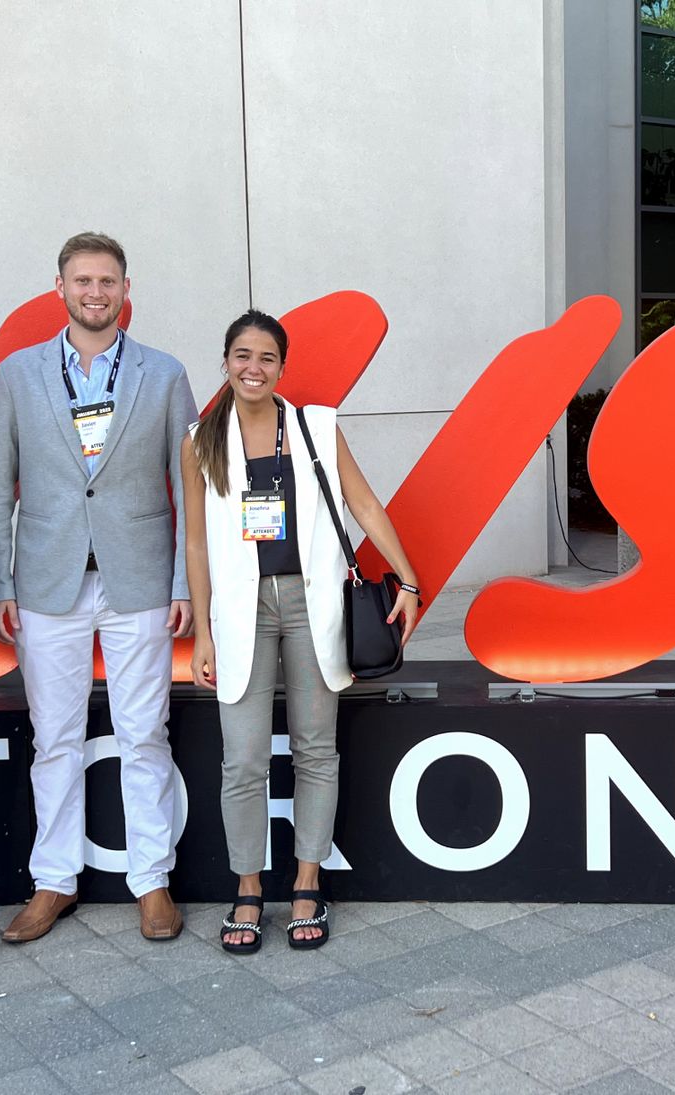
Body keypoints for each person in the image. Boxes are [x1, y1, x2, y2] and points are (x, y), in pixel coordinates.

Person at [183, 310, 420, 952]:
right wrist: (202, 631)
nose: (252, 367)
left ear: (281, 367)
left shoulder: (316, 427)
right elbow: (198, 546)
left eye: (265, 357)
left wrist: (409, 579)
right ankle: (249, 890)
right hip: (242, 611)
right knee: (243, 759)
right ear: (226, 362)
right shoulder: (201, 440)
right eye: (241, 355)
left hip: (312, 605)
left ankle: (308, 884)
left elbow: (364, 503)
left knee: (316, 749)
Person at [0, 232, 198, 943]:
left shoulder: (163, 374)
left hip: (138, 579)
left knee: (144, 734)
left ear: (125, 289)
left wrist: (181, 581)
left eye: (108, 281)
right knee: (55, 738)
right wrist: (0, 579)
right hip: (47, 582)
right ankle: (54, 881)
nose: (96, 292)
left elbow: (187, 486)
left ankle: (153, 881)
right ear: (61, 288)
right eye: (83, 280)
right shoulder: (17, 374)